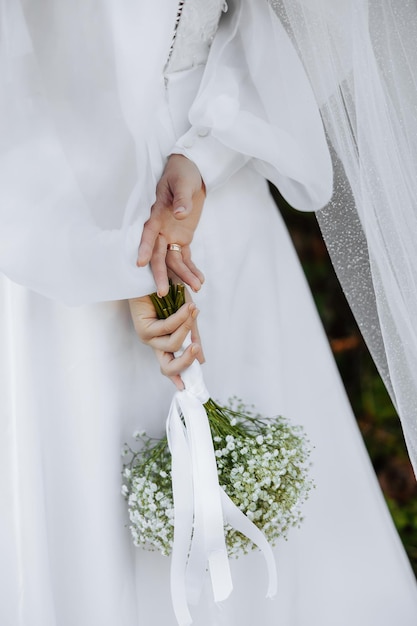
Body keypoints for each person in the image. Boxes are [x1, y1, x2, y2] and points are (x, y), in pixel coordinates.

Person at [1, 1, 417, 625]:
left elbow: (292, 22)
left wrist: (208, 150)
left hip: (205, 211)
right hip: (58, 241)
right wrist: (115, 255)